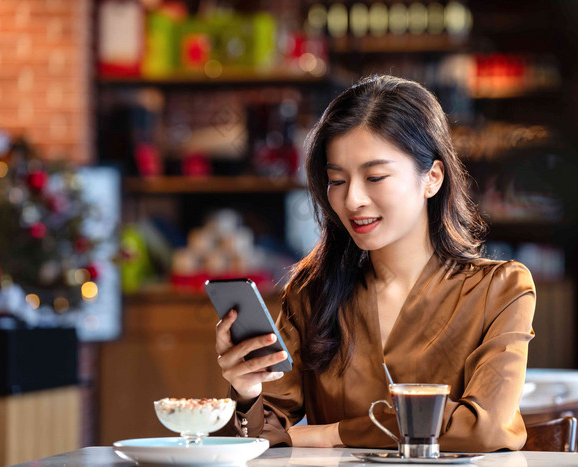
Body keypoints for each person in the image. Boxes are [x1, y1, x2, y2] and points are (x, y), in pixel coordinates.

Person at [215, 74, 536, 452]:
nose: (353, 200)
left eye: (375, 177)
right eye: (337, 180)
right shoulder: (314, 291)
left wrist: (332, 433)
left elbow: (486, 430)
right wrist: (246, 391)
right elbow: (259, 441)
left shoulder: (500, 289)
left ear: (432, 177)